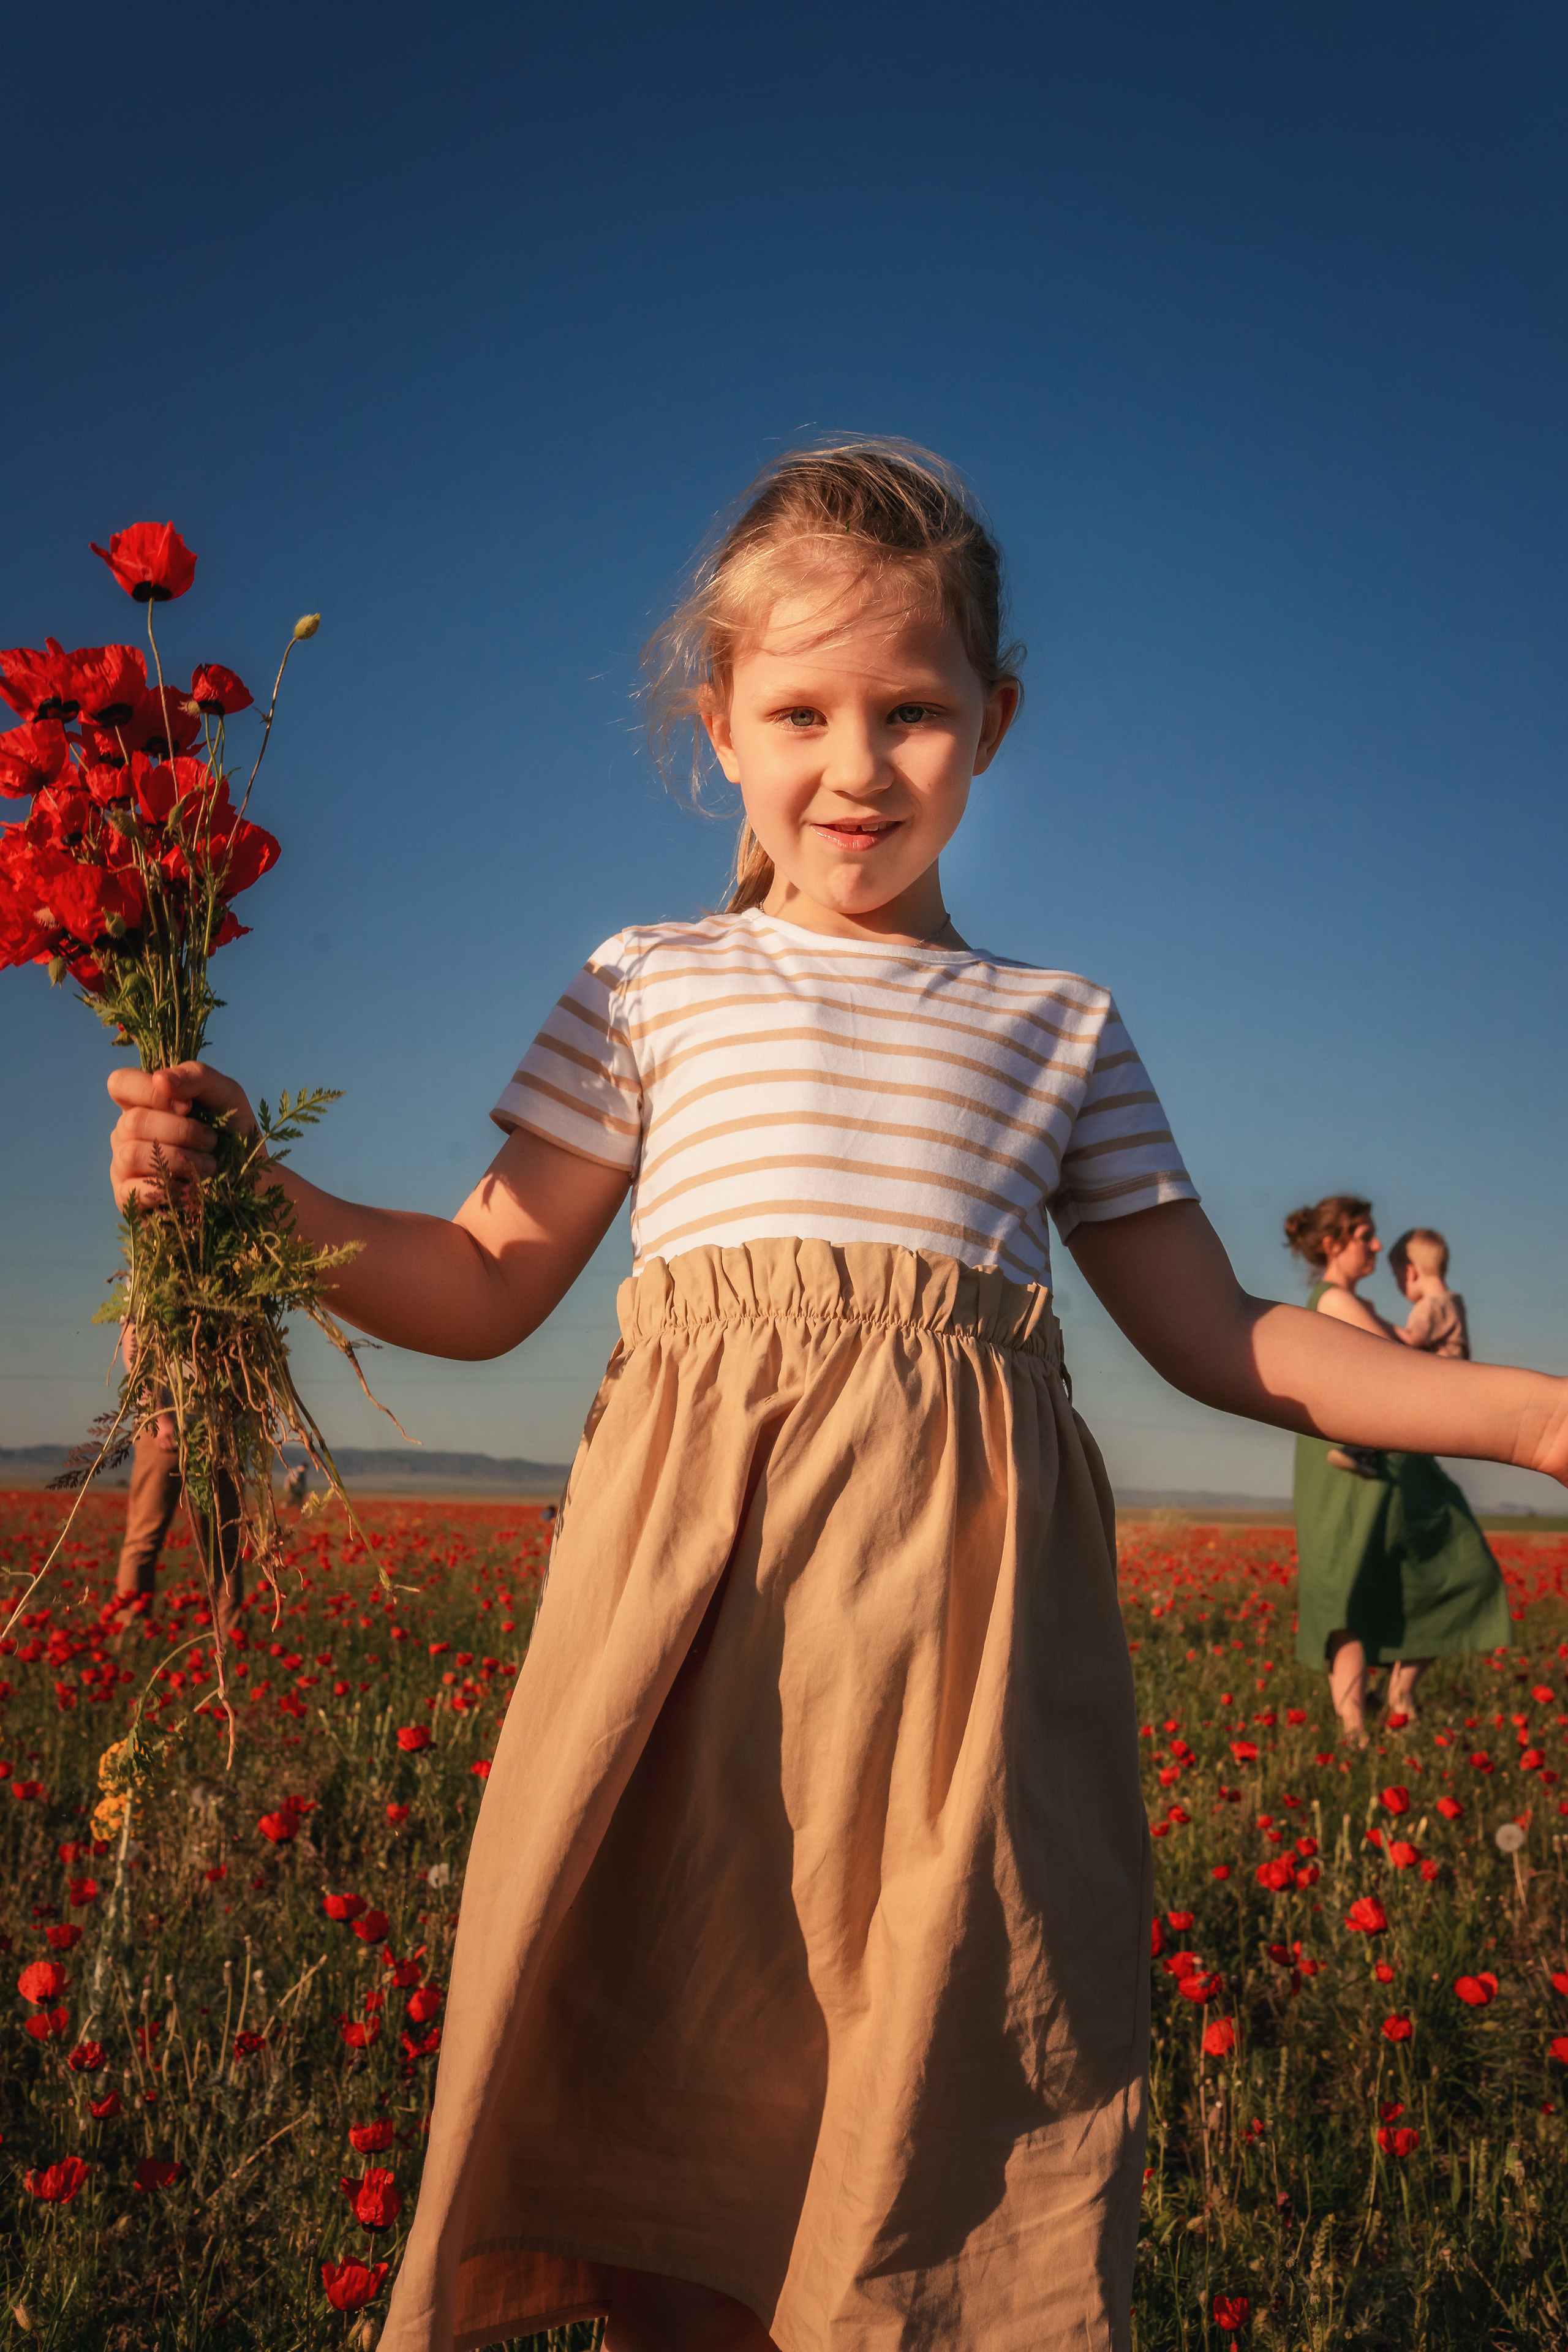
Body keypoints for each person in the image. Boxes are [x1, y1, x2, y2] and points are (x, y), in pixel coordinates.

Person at [103, 444, 1567, 2352]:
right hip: (688, 1625)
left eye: (912, 713)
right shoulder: (648, 982)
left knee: (941, 2084)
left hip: (955, 1655)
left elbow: (1222, 1332)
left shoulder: (1059, 1023)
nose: (856, 764)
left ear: (994, 721)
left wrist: (1530, 1416)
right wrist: (254, 1194)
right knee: (676, 2064)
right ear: (718, 724)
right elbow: (476, 1278)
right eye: (799, 711)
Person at [1284, 1195, 1509, 1740]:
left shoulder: (1350, 1302)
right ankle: (1356, 1728)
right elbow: (1399, 1358)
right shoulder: (1336, 1300)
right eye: (1365, 1235)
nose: (1378, 1245)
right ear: (1335, 1243)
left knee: (1411, 1574)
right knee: (1349, 1587)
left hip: (1378, 1463)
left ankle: (1388, 1702)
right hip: (1346, 1467)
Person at [1390, 1226, 1471, 1359]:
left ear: (1410, 1273)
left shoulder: (1432, 1305)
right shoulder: (1453, 1303)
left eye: (1396, 1275)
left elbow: (1411, 1339)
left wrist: (1371, 1318)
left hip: (1440, 1377)